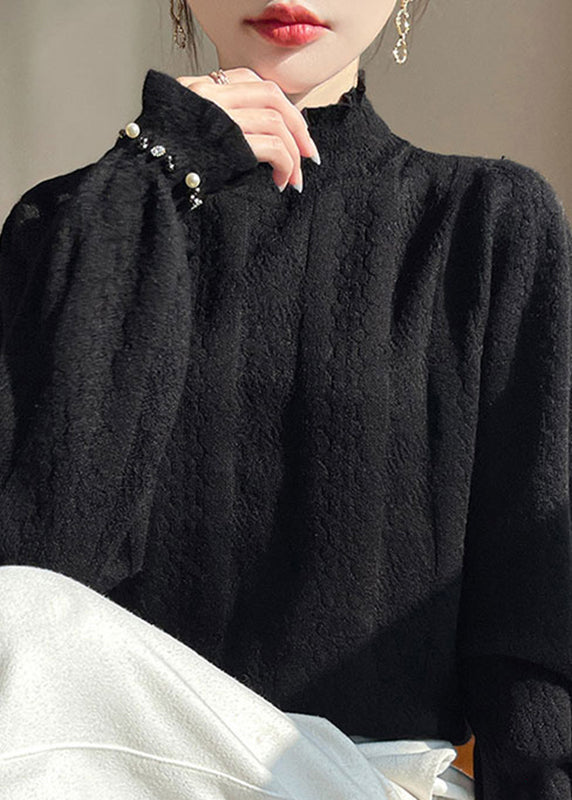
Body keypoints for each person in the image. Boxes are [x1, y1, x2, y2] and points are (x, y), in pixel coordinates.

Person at [0, 1, 571, 798]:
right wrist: (151, 182)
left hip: (355, 780)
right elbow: (39, 576)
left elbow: (530, 618)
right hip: (104, 765)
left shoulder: (487, 220)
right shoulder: (66, 223)